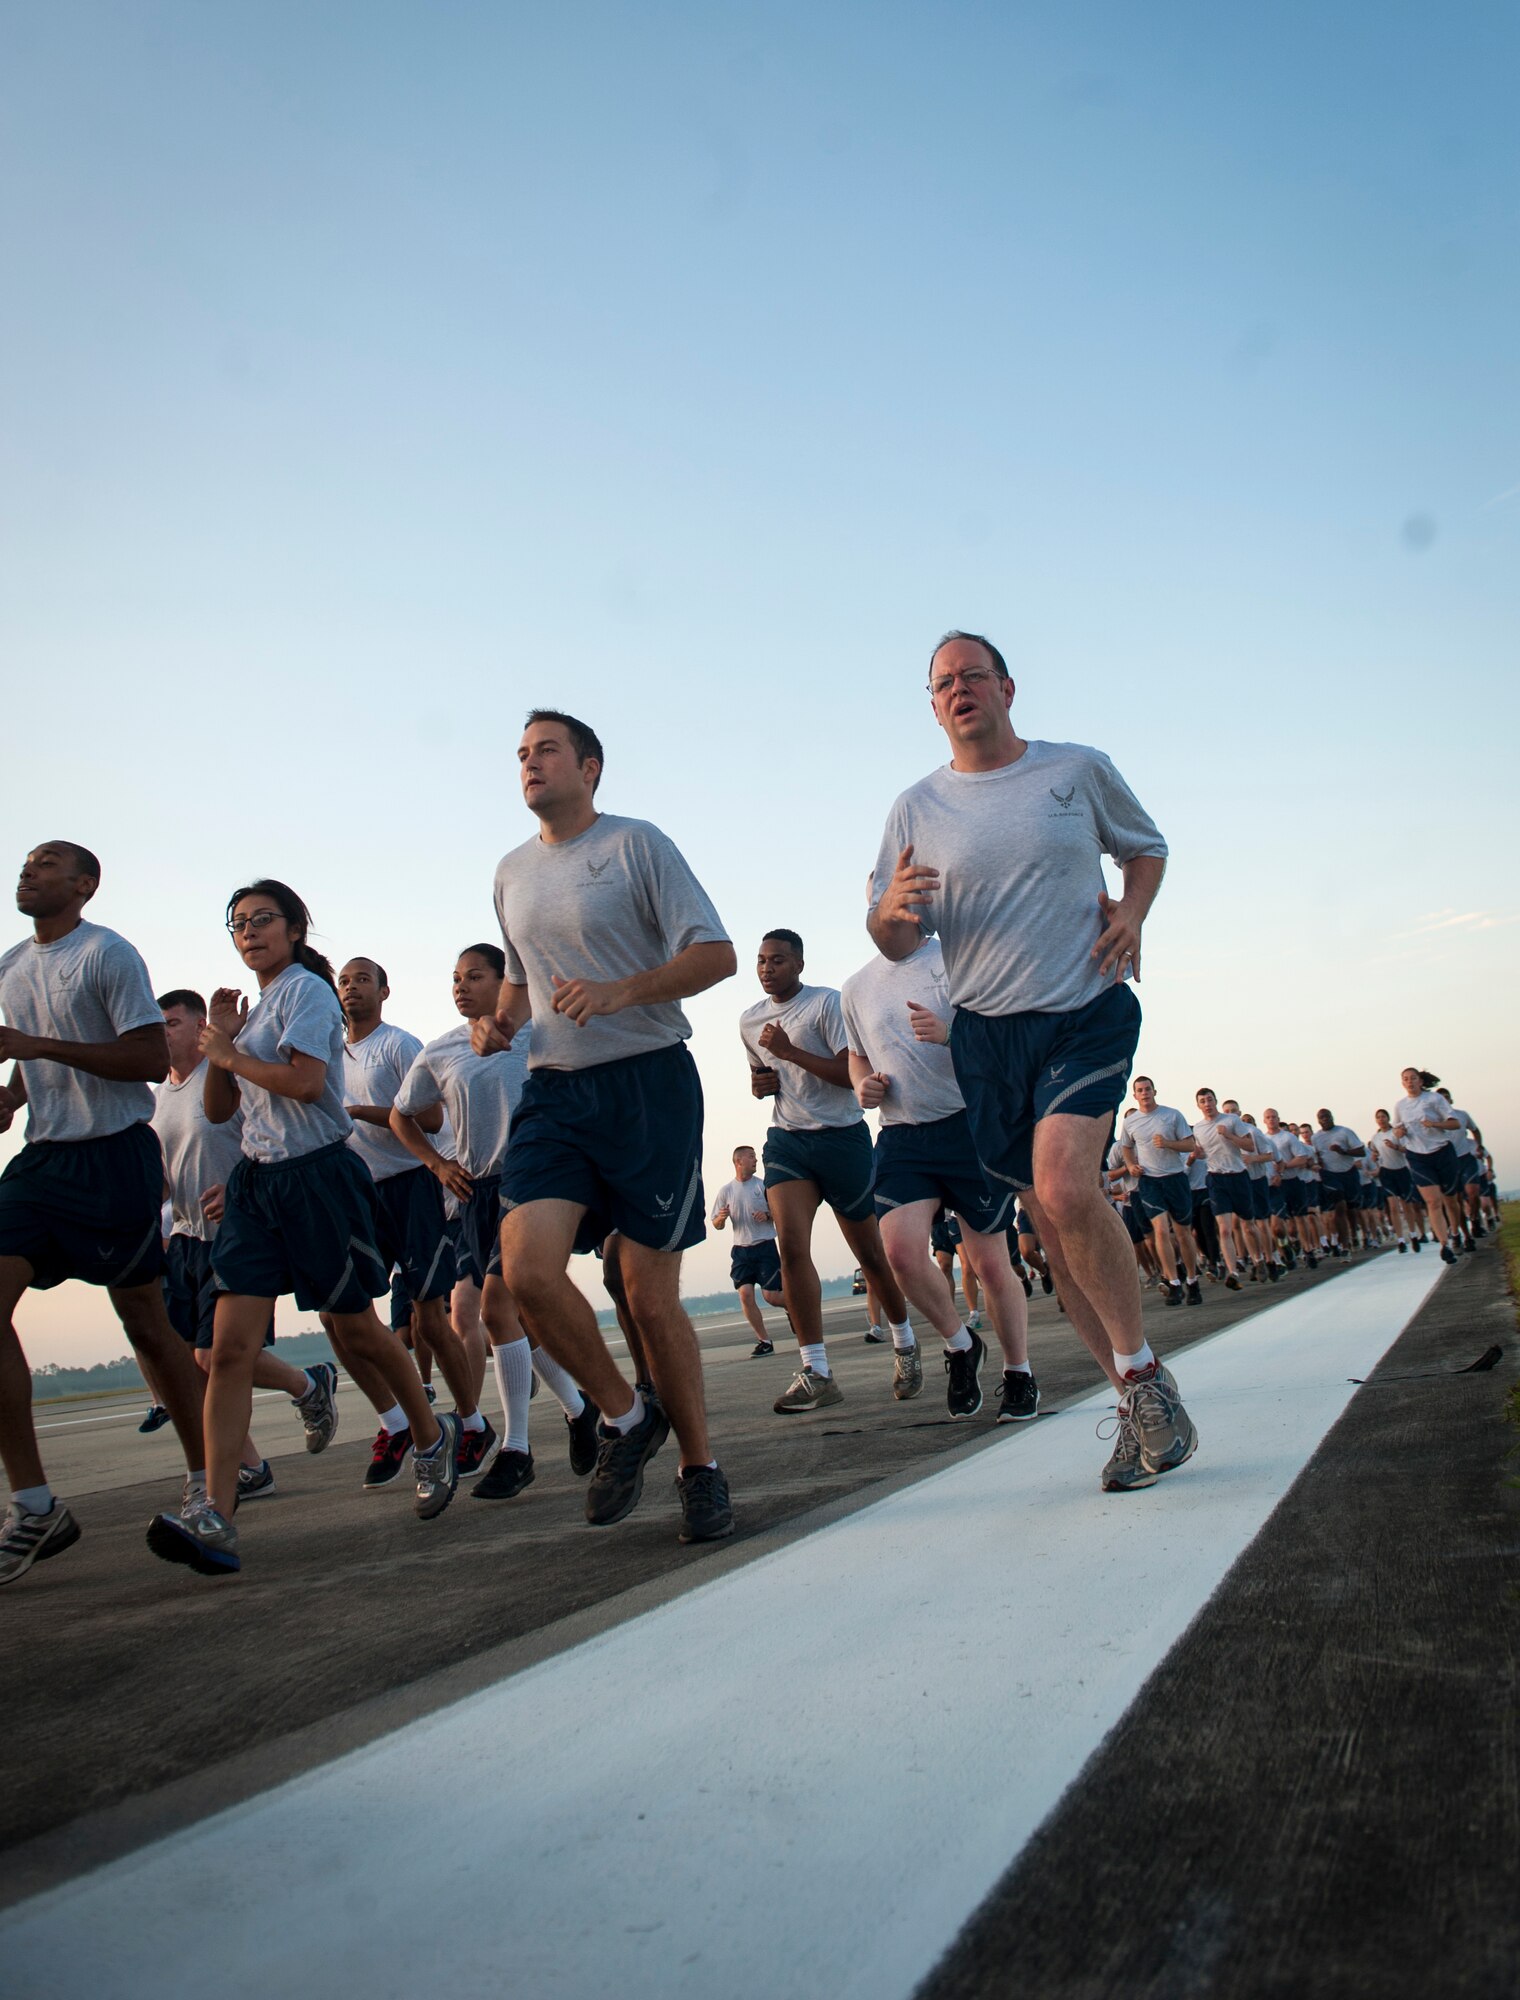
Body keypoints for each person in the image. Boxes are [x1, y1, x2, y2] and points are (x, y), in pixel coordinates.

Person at [869, 631, 1192, 1490]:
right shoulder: (915, 807)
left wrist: (1132, 912)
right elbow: (894, 933)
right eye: (943, 683)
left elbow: (1146, 847)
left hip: (1083, 1008)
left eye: (974, 675)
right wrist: (891, 915)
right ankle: (1134, 1397)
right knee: (1051, 1229)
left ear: (1007, 687)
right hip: (986, 1035)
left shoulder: (1075, 770)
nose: (960, 689)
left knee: (1061, 1186)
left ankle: (1147, 1376)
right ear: (932, 704)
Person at [474, 710, 737, 1542]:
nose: (529, 764)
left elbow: (715, 955)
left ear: (590, 767)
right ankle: (626, 1418)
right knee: (525, 1272)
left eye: (546, 750)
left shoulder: (636, 845)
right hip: (554, 1090)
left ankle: (701, 1468)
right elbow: (521, 986)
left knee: (647, 1298)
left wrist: (622, 990)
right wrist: (501, 1022)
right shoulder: (511, 872)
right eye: (520, 754)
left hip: (647, 1085)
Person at [146, 880, 459, 1576]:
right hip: (257, 1187)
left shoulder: (308, 993)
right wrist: (223, 1043)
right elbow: (224, 1109)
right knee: (226, 1350)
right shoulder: (253, 1014)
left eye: (263, 920)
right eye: (238, 924)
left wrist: (229, 1054)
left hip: (320, 1177)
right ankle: (216, 1513)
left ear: (294, 929)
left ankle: (433, 1437)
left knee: (356, 1331)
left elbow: (308, 1084)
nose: (250, 932)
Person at [0, 842, 207, 1586]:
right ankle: (34, 1504)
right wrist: (17, 1093)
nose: (30, 870)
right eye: (26, 861)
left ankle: (206, 1481)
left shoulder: (108, 954)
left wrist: (32, 1047)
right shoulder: (11, 965)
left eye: (48, 862)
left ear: (85, 885)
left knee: (147, 1326)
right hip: (44, 1159)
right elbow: (38, 1057)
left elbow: (149, 1060)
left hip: (115, 1155)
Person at [391, 945, 597, 1501]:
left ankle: (516, 1449)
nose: (460, 986)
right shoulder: (441, 1051)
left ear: (504, 982)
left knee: (497, 1309)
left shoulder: (540, 1033)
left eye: (474, 976)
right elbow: (401, 1113)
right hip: (475, 1193)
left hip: (530, 1183)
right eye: (454, 978)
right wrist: (436, 1164)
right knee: (518, 1319)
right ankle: (580, 1410)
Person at [153, 988, 338, 1502]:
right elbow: (169, 1174)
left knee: (216, 1358)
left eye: (171, 1023)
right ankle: (252, 1465)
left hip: (233, 1234)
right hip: (185, 1239)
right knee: (193, 1362)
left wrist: (235, 1188)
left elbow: (261, 1138)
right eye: (157, 1024)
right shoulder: (161, 1096)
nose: (162, 1032)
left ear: (198, 1027)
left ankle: (306, 1385)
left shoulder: (224, 1076)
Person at [843, 932, 1035, 1421]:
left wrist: (952, 1035)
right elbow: (857, 1053)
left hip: (968, 1125)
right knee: (901, 1254)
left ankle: (1019, 1374)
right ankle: (959, 1345)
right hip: (903, 1136)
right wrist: (861, 1083)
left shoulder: (959, 957)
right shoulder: (857, 986)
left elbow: (1005, 1040)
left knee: (991, 1265)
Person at [740, 929, 913, 1413]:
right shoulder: (750, 1020)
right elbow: (761, 1078)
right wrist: (762, 1084)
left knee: (871, 1254)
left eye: (777, 960)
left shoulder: (826, 1006)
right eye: (761, 960)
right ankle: (816, 1370)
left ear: (798, 964)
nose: (767, 968)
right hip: (787, 1141)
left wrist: (792, 1051)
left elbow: (848, 1074)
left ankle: (904, 1341)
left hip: (841, 1137)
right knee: (791, 1246)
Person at [334, 957, 492, 1476]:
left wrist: (361, 1113)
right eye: (344, 980)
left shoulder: (399, 1045)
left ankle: (471, 1423)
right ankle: (395, 1421)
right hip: (361, 1193)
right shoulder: (328, 1054)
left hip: (414, 1187)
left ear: (384, 990)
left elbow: (428, 1116)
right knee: (339, 1309)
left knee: (429, 1319)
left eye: (363, 980)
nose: (351, 988)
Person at [1120, 1077, 1204, 1305]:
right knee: (1159, 1231)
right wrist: (1130, 1166)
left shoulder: (1172, 1115)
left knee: (1183, 1232)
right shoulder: (1130, 1122)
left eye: (1148, 1089)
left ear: (1154, 1091)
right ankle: (1174, 1282)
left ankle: (1193, 1281)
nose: (1145, 1093)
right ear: (1135, 1096)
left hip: (1174, 1178)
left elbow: (1189, 1145)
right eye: (1140, 1090)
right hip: (1149, 1181)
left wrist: (1168, 1143)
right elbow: (1126, 1147)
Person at [710, 1146, 788, 1357]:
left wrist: (768, 1214)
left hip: (764, 1246)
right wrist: (721, 1218)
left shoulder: (762, 1186)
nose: (755, 1160)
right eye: (751, 1156)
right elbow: (716, 1224)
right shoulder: (726, 1191)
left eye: (755, 1156)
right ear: (738, 1162)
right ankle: (764, 1341)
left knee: (771, 1296)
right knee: (745, 1294)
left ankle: (793, 1306)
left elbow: (779, 1212)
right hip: (741, 1250)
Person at [1190, 1090, 1267, 1287]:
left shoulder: (1232, 1121)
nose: (1207, 1104)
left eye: (1209, 1100)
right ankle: (1233, 1272)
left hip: (1238, 1176)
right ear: (1198, 1105)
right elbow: (1202, 1153)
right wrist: (1197, 1154)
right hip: (1216, 1179)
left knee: (1248, 1226)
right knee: (1224, 1229)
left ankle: (1259, 1260)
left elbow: (1250, 1146)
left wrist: (1230, 1135)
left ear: (1215, 1101)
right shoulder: (1198, 1129)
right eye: (1202, 1101)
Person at [1392, 1068, 1465, 1262]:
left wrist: (1435, 1125)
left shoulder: (1434, 1099)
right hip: (1417, 1156)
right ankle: (1444, 1245)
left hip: (1442, 1152)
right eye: (1405, 1079)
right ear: (1402, 1083)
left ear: (1420, 1081)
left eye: (1413, 1078)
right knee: (1433, 1202)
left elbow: (1455, 1124)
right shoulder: (1400, 1106)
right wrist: (1399, 1134)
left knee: (1450, 1199)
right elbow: (1397, 1129)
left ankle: (1455, 1233)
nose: (1409, 1082)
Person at [1262, 1108, 1321, 1266]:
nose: (1271, 1120)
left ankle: (1308, 1250)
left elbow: (1302, 1159)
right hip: (1274, 1186)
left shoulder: (1288, 1137)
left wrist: (1284, 1166)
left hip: (1293, 1181)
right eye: (1268, 1117)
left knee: (1300, 1218)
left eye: (1274, 1117)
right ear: (1264, 1121)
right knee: (1276, 1226)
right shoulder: (1262, 1139)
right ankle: (1284, 1248)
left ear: (1278, 1118)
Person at [1310, 1109, 1366, 1256]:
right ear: (1318, 1120)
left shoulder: (1344, 1132)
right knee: (1339, 1207)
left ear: (1332, 1117)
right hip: (1329, 1175)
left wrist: (1343, 1151)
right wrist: (1316, 1163)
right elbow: (1316, 1156)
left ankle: (1354, 1233)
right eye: (1321, 1117)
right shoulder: (1316, 1138)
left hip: (1348, 1172)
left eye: (1327, 1116)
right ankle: (1345, 1245)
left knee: (1351, 1207)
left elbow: (1361, 1152)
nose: (1325, 1119)